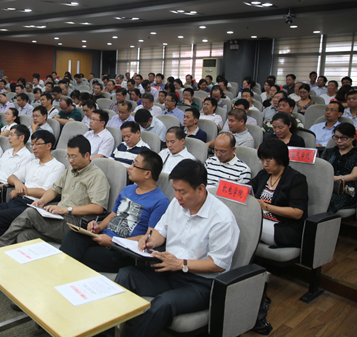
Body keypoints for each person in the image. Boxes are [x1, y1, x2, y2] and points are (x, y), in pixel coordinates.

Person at [115, 159, 240, 337]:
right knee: (125, 275)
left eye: (183, 192)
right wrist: (149, 241)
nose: (177, 196)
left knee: (163, 303)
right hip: (170, 271)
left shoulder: (222, 219)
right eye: (175, 190)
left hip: (200, 284)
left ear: (200, 189)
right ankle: (110, 330)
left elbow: (218, 264)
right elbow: (160, 231)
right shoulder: (176, 204)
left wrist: (181, 264)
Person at [0, 135, 108, 250]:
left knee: (30, 213)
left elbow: (98, 207)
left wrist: (67, 210)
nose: (70, 160)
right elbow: (54, 189)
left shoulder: (96, 176)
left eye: (74, 156)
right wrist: (42, 201)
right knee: (25, 235)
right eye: (68, 156)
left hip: (76, 224)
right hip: (60, 217)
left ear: (87, 155)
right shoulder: (70, 170)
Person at [60, 151, 169, 272]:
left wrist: (113, 242)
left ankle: (61, 275)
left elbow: (149, 237)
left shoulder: (160, 202)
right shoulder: (128, 189)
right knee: (72, 236)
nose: (130, 167)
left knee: (83, 253)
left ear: (147, 173)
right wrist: (98, 227)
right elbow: (113, 215)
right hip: (105, 238)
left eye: (135, 165)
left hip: (124, 250)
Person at [250, 138, 308, 248]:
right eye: (262, 160)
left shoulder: (296, 179)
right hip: (260, 220)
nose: (264, 164)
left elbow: (297, 213)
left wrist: (266, 206)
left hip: (283, 228)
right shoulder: (263, 175)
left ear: (280, 158)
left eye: (268, 160)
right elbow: (247, 189)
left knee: (245, 226)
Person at [321, 123, 357, 213]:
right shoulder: (328, 152)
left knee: (327, 200)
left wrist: (335, 178)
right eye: (336, 137)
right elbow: (321, 170)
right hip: (325, 185)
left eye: (344, 138)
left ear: (353, 137)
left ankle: (324, 221)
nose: (339, 141)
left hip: (344, 190)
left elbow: (354, 176)